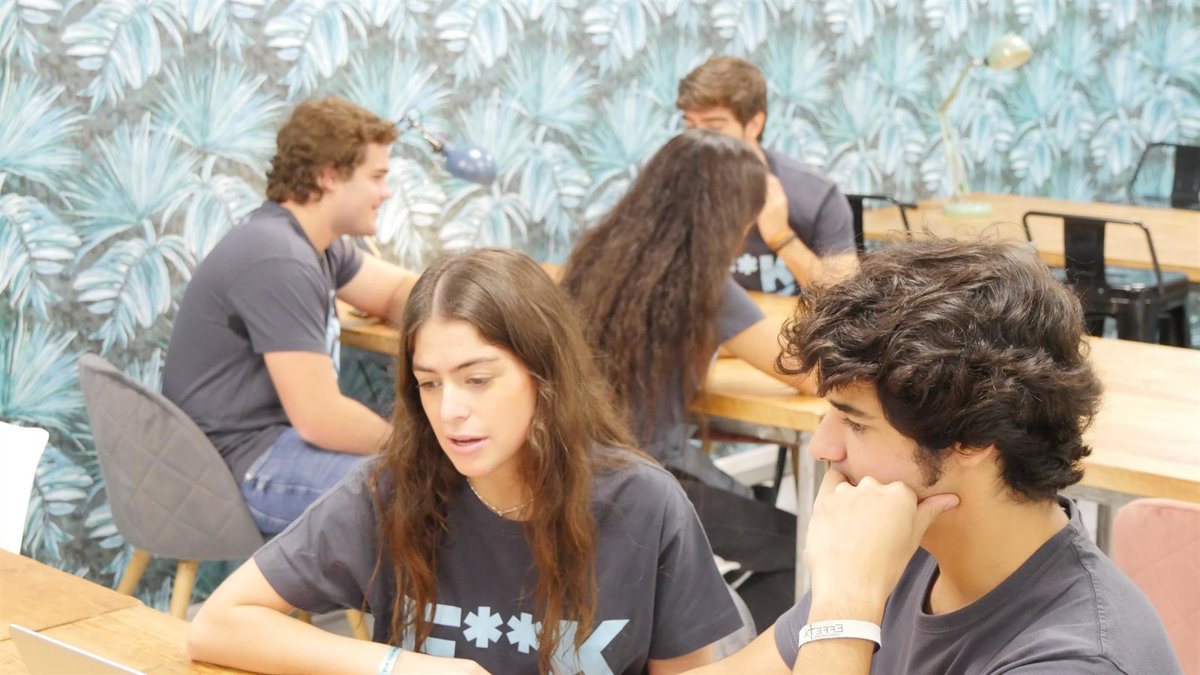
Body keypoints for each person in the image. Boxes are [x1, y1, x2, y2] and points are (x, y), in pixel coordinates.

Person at [187, 248, 743, 674]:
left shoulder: (644, 503)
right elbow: (216, 625)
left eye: (477, 379)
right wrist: (402, 667)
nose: (450, 411)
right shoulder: (394, 489)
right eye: (429, 384)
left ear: (544, 376)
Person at [691, 239, 1182, 674]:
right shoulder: (900, 547)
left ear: (972, 438)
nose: (822, 447)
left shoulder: (1079, 658)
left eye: (855, 423)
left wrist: (845, 613)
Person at [561, 129, 815, 632]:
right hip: (646, 481)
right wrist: (781, 231)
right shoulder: (706, 287)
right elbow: (809, 374)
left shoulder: (598, 258)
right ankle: (737, 654)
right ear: (732, 217)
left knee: (749, 514)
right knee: (800, 551)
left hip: (577, 472)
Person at [163, 97, 419, 535]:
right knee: (415, 495)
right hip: (233, 465)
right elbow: (321, 419)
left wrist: (460, 309)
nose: (386, 192)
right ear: (329, 176)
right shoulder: (279, 258)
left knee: (423, 483)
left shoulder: (316, 246)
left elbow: (399, 291)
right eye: (377, 177)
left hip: (265, 445)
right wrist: (419, 451)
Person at [677, 56, 856, 295]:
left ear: (754, 124)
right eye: (690, 126)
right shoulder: (674, 189)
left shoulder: (817, 195)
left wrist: (781, 237)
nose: (698, 140)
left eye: (714, 127)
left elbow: (844, 299)